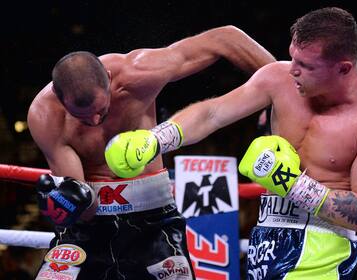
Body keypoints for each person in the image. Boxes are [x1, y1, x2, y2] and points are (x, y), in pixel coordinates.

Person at [105, 7, 357, 280]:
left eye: (305, 65)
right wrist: (156, 139)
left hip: (323, 248)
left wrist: (290, 183)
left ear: (343, 68)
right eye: (292, 57)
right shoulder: (278, 79)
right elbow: (212, 113)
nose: (292, 70)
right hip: (266, 238)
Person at [27, 25, 276, 280]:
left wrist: (286, 92)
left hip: (154, 221)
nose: (94, 120)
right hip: (88, 228)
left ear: (110, 79)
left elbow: (225, 38)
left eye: (102, 109)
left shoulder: (138, 72)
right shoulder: (45, 117)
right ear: (60, 99)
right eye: (82, 116)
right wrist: (69, 199)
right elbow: (86, 208)